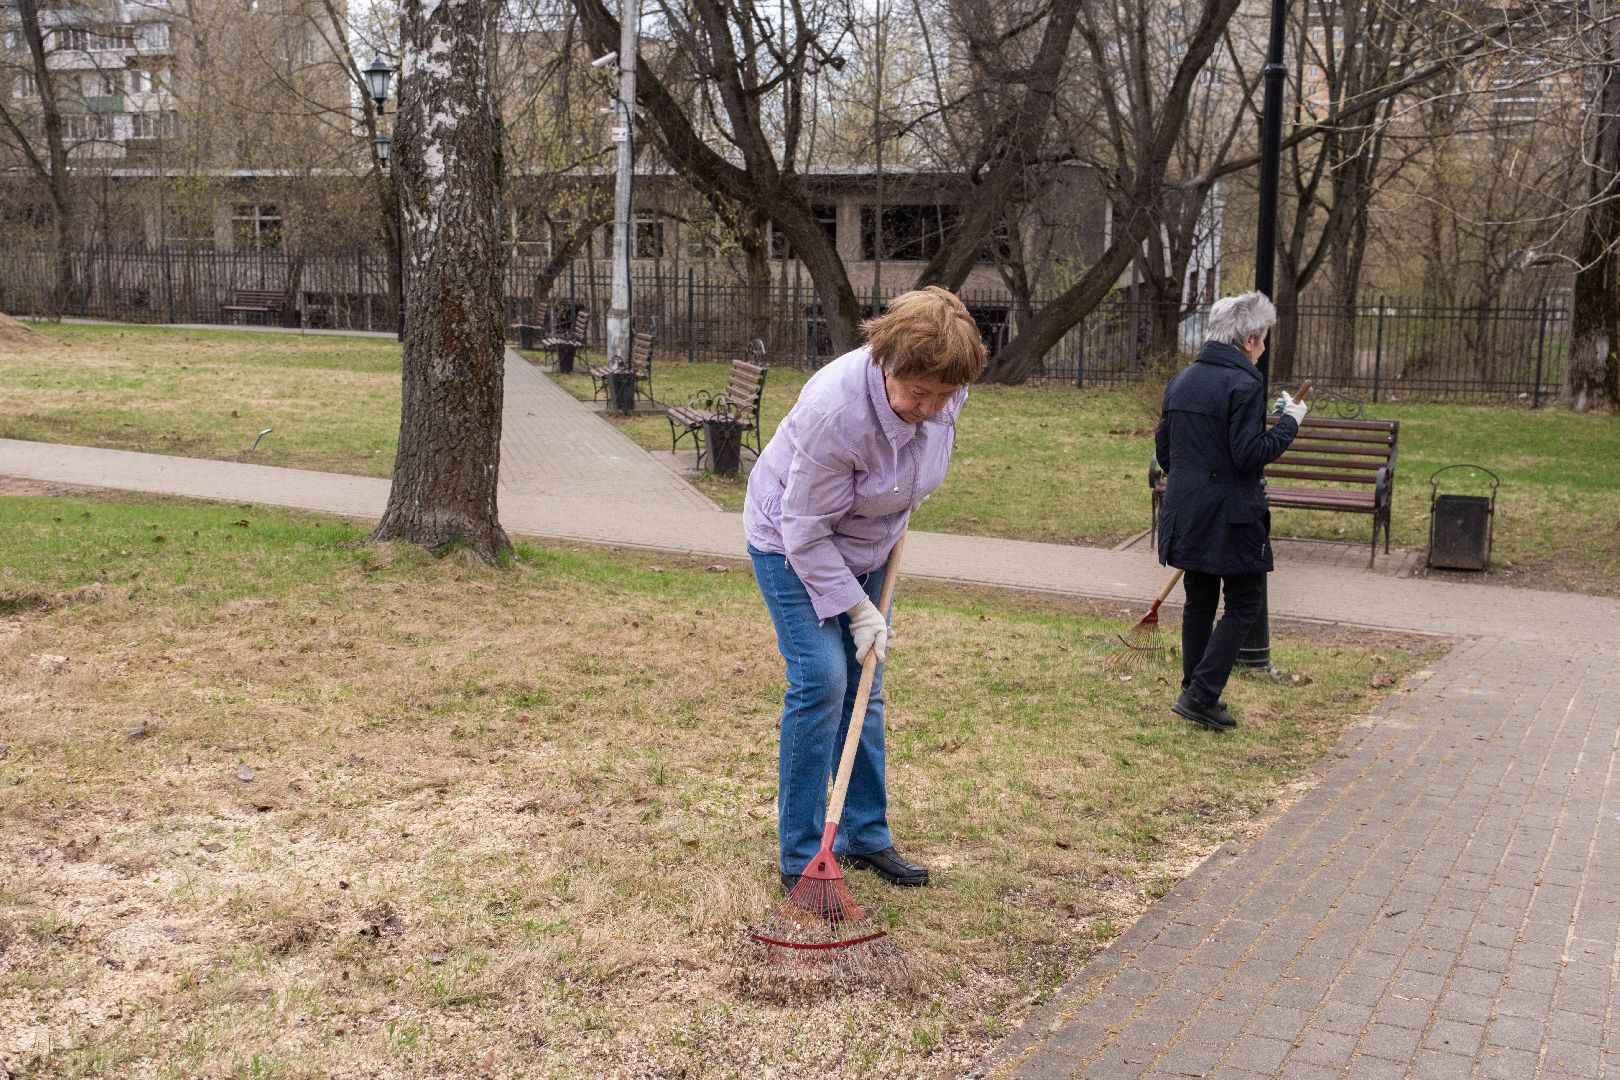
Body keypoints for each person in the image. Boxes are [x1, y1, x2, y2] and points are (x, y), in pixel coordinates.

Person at [744, 286, 987, 891]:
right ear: (887, 364)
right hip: (790, 541)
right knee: (823, 681)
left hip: (870, 543)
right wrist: (855, 607)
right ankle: (802, 859)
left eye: (944, 396)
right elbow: (803, 530)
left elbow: (913, 464)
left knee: (865, 687)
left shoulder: (941, 392)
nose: (931, 408)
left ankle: (863, 835)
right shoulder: (836, 412)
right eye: (918, 393)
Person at [1154, 291, 1307, 731]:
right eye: (1263, 341)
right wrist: (1290, 422)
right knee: (1244, 604)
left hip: (1187, 508)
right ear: (1249, 339)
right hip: (1233, 514)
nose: (1263, 350)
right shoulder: (1244, 384)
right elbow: (1248, 455)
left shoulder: (1182, 380)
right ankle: (1201, 694)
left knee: (1199, 602)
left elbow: (1166, 449)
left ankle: (1193, 690)